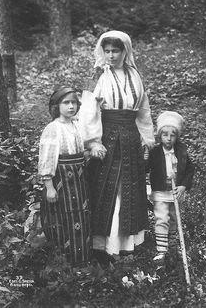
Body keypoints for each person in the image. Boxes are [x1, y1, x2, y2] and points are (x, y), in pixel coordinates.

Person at [79, 30, 155, 264]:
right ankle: (104, 245)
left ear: (125, 51)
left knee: (129, 187)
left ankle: (126, 243)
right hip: (108, 137)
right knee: (107, 187)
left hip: (131, 138)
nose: (111, 56)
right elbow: (89, 110)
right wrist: (93, 141)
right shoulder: (98, 75)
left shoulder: (134, 75)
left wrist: (146, 137)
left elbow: (143, 110)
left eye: (116, 51)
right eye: (107, 51)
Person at [38, 87, 90, 266]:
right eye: (66, 103)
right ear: (56, 106)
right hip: (62, 182)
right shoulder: (53, 128)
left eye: (74, 102)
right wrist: (50, 187)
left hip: (78, 180)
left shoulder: (75, 126)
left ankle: (82, 261)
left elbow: (79, 153)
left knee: (81, 217)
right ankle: (65, 265)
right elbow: (47, 158)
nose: (71, 106)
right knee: (62, 220)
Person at [146, 111, 195, 265]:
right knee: (162, 218)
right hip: (160, 191)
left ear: (177, 136)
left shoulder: (181, 151)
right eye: (165, 134)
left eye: (172, 135)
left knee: (174, 217)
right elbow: (145, 168)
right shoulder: (154, 152)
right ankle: (161, 250)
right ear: (159, 136)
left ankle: (173, 245)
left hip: (176, 192)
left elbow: (189, 170)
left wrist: (183, 186)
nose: (168, 138)